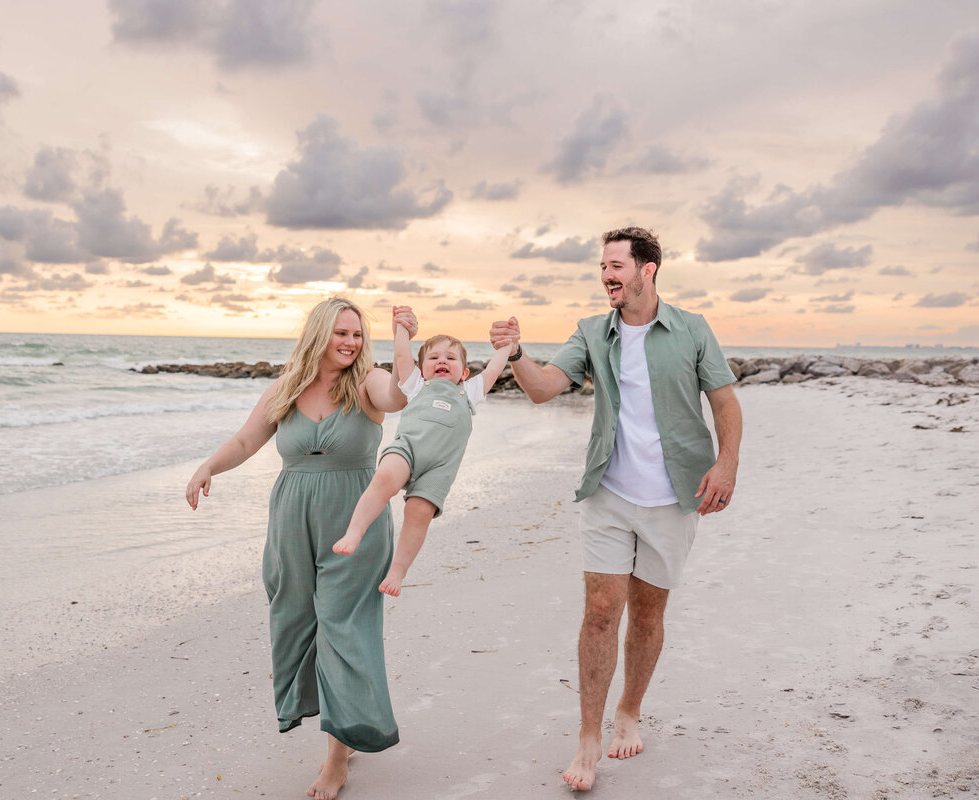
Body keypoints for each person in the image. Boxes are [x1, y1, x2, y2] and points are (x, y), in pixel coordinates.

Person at [490, 226, 742, 792]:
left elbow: (725, 403)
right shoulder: (591, 332)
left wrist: (725, 466)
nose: (607, 276)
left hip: (675, 497)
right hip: (608, 493)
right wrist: (514, 354)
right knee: (602, 610)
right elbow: (543, 388)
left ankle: (629, 709)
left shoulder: (692, 330)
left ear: (647, 269)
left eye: (616, 266)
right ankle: (587, 736)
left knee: (648, 615)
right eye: (603, 267)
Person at [185, 298, 416, 800]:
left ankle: (336, 758)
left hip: (355, 523)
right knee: (296, 620)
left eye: (357, 334)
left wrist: (404, 340)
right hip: (291, 523)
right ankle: (339, 722)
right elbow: (247, 441)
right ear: (318, 335)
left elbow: (401, 396)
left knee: (341, 628)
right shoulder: (285, 388)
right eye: (341, 333)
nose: (351, 343)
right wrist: (207, 467)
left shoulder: (368, 383)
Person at [332, 309, 513, 595]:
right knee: (385, 477)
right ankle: (355, 531)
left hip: (439, 470)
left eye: (451, 359)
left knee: (420, 514)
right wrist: (402, 331)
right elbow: (403, 357)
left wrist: (506, 348)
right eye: (434, 357)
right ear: (422, 367)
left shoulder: (470, 392)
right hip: (407, 449)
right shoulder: (416, 385)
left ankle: (398, 571)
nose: (442, 361)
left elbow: (492, 370)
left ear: (464, 373)